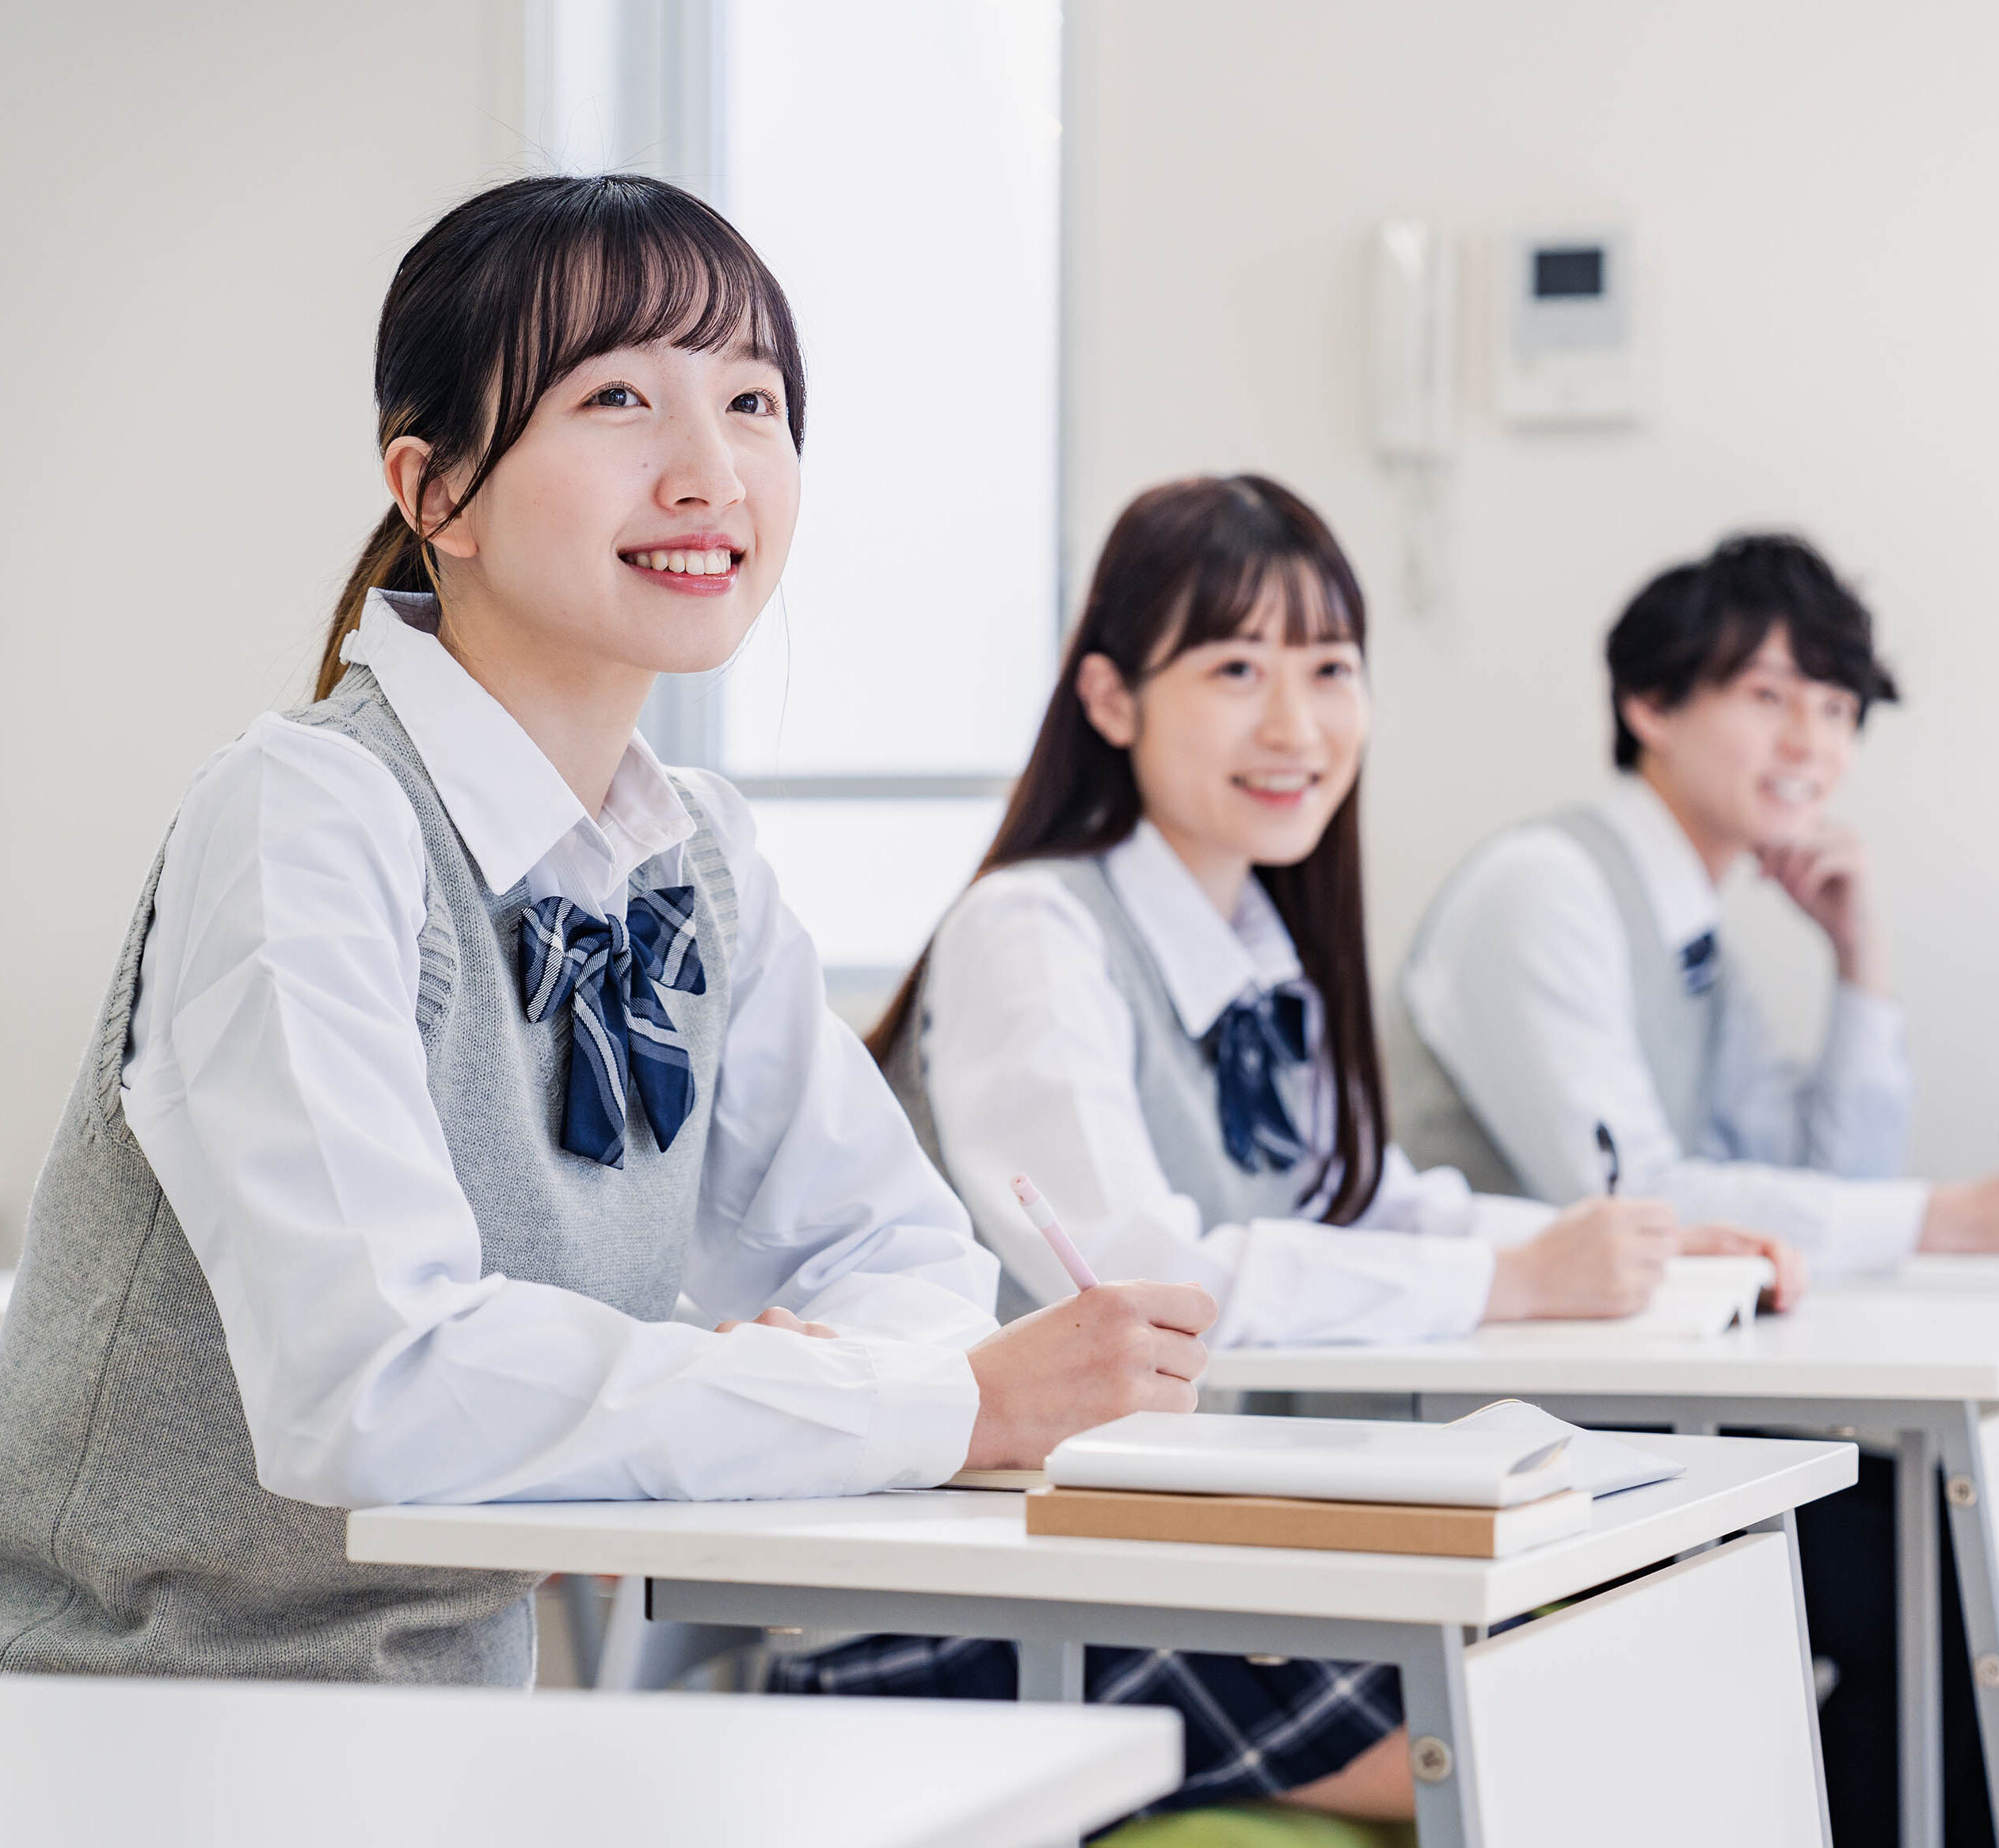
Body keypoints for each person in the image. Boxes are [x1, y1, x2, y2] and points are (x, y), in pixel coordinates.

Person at [0, 173, 1209, 1689]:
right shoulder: (305, 815)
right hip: (141, 1723)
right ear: (436, 492)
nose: (711, 471)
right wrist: (910, 1403)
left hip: (455, 1729)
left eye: (755, 403)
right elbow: (377, 1385)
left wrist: (860, 1382)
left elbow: (900, 1253)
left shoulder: (696, 857)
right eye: (622, 396)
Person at [773, 475, 1799, 1825]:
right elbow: (1149, 1283)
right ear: (1110, 700)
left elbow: (1364, 1202)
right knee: (1572, 1718)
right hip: (991, 1586)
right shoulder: (1036, 930)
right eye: (1236, 667)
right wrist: (1518, 1282)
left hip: (1193, 1554)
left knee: (1654, 1634)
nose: (1296, 724)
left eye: (1330, 669)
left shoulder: (1257, 945)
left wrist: (1623, 1248)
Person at [1397, 530, 1999, 1846]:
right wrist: (1958, 1217)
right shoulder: (1551, 890)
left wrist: (1861, 956)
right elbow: (1645, 1198)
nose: (1813, 739)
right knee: (1944, 1568)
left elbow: (1821, 1183)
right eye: (1771, 695)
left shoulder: (1696, 930)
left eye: (1840, 708)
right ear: (1649, 705)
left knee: (1988, 1544)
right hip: (1488, 1439)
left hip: (1639, 1420)